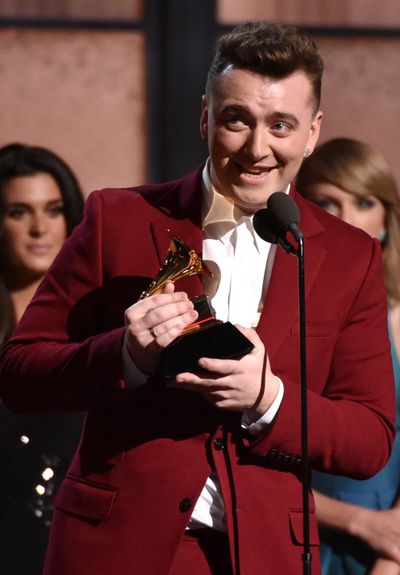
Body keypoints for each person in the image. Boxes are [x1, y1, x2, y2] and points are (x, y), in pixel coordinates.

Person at [0, 23, 395, 575]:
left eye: (282, 125)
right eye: (238, 120)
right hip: (117, 551)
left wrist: (269, 399)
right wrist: (125, 357)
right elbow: (18, 371)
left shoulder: (351, 256)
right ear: (206, 116)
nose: (259, 148)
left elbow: (371, 438)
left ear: (312, 132)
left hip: (263, 557)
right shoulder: (117, 218)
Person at [297, 137, 400, 575]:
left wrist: (390, 553)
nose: (347, 219)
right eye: (327, 202)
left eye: (363, 202)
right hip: (290, 535)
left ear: (385, 219)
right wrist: (361, 522)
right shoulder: (280, 315)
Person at [0, 143, 85, 575]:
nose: (39, 228)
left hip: (77, 548)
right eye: (18, 212)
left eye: (52, 209)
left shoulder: (99, 320)